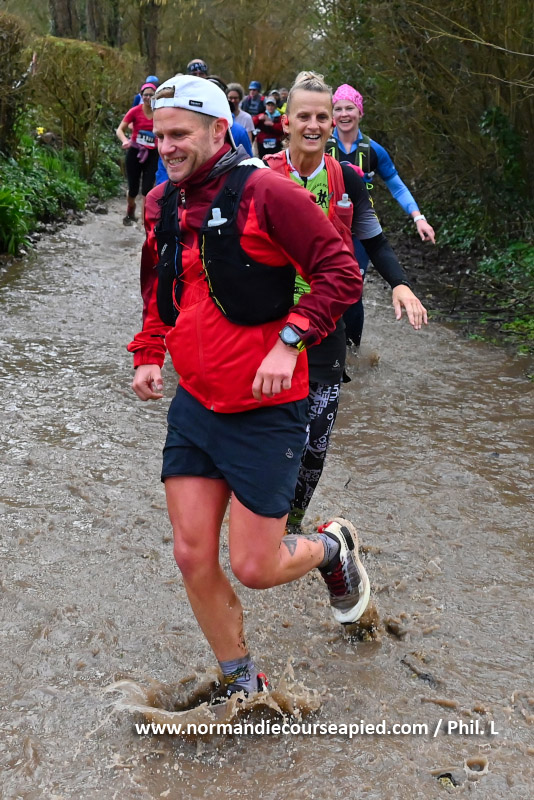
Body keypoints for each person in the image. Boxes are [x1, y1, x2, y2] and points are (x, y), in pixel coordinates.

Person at [127, 74, 369, 697]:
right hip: (196, 403)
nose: (167, 146)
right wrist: (150, 352)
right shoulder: (162, 202)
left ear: (218, 129)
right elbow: (161, 285)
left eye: (179, 134)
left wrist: (291, 340)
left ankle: (332, 548)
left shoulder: (267, 192)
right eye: (160, 135)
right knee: (190, 553)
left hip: (266, 408)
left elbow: (340, 272)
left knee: (256, 566)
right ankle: (243, 682)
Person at [264, 71, 428, 532]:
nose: (314, 125)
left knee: (315, 442)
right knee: (269, 434)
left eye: (322, 116)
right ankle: (262, 521)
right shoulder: (259, 175)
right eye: (305, 116)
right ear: (287, 122)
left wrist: (399, 283)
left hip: (326, 323)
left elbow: (374, 240)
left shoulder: (348, 179)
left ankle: (292, 526)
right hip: (268, 325)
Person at [327, 83, 435, 345]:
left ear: (360, 112)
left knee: (353, 291)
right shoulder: (320, 144)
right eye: (338, 109)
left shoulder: (374, 151)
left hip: (358, 230)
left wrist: (418, 218)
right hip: (326, 227)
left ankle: (352, 352)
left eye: (350, 108)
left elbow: (397, 186)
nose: (344, 114)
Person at [116, 82, 158, 225]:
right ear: (141, 96)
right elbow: (120, 129)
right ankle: (131, 208)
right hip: (135, 152)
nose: (148, 97)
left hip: (152, 154)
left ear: (156, 97)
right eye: (145, 95)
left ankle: (146, 220)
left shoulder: (160, 113)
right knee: (133, 189)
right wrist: (124, 141)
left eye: (151, 95)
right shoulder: (134, 111)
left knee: (147, 188)